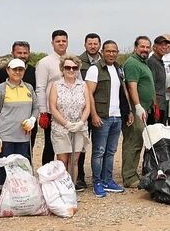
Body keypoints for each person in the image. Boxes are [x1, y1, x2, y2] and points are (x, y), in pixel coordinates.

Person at [85, 40, 133, 198]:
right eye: (108, 51)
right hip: (102, 116)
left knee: (111, 152)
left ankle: (108, 180)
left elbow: (123, 91)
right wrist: (94, 114)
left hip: (117, 116)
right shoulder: (95, 69)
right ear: (103, 52)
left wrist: (129, 111)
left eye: (114, 51)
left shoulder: (119, 69)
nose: (111, 54)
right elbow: (89, 94)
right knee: (99, 151)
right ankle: (97, 182)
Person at [0, 58, 37, 191]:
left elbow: (36, 108)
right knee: (5, 169)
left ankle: (21, 197)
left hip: (23, 137)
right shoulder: (0, 89)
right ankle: (4, 196)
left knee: (22, 168)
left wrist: (33, 119)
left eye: (20, 69)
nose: (17, 72)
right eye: (14, 69)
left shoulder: (28, 87)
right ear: (8, 70)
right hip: (5, 138)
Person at [48, 55, 91, 185]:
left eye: (74, 67)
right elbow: (53, 107)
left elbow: (88, 106)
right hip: (60, 129)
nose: (71, 70)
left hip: (79, 128)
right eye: (68, 67)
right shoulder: (56, 85)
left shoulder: (83, 85)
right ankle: (61, 189)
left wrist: (80, 123)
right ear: (62, 68)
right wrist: (66, 123)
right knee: (62, 161)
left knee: (74, 161)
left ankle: (71, 188)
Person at [121, 36, 156, 188]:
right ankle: (129, 177)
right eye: (142, 46)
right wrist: (136, 106)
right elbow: (131, 86)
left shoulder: (143, 63)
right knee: (133, 143)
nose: (145, 49)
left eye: (148, 47)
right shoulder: (133, 63)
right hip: (135, 110)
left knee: (138, 142)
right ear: (135, 48)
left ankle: (132, 174)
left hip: (143, 109)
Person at [35, 29, 69, 165]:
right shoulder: (45, 62)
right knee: (50, 146)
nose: (61, 44)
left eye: (64, 41)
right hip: (51, 111)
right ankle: (47, 177)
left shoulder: (72, 60)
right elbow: (40, 88)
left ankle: (69, 177)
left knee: (69, 147)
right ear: (52, 43)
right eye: (58, 41)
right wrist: (43, 111)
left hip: (70, 111)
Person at [75, 32, 102, 187]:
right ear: (85, 45)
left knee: (99, 146)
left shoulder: (105, 61)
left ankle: (99, 176)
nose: (93, 46)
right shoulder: (79, 62)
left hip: (100, 108)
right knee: (82, 144)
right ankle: (79, 177)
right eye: (90, 44)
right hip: (83, 110)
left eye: (95, 43)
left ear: (99, 45)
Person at [147, 35, 170, 125]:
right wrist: (155, 107)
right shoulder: (152, 62)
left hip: (162, 104)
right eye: (161, 45)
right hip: (155, 106)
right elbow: (151, 85)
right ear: (154, 47)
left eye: (165, 45)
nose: (164, 47)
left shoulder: (160, 61)